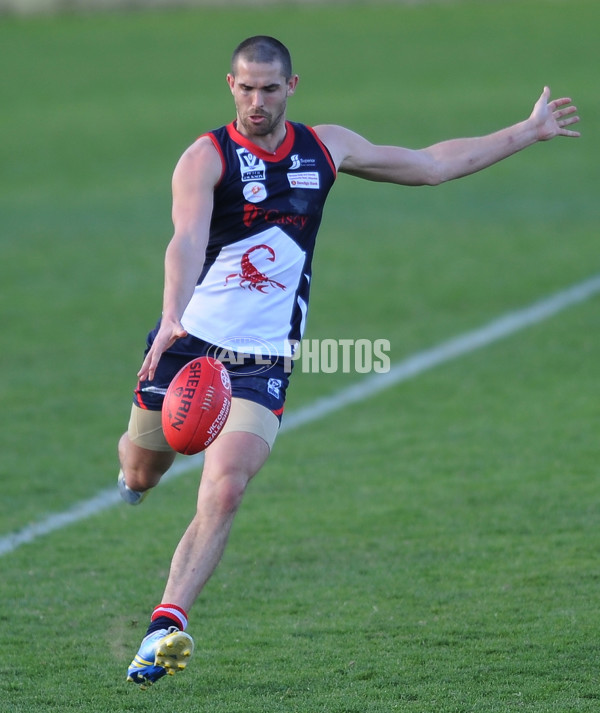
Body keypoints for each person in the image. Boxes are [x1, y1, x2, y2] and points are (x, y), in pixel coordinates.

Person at [118, 35, 580, 688]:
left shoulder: (324, 147)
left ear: (292, 87)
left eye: (269, 89)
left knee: (226, 484)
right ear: (230, 85)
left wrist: (526, 132)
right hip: (187, 344)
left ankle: (165, 624)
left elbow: (429, 165)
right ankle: (133, 479)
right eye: (245, 88)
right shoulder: (206, 157)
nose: (257, 101)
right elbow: (185, 240)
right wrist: (170, 316)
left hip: (263, 358)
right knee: (143, 467)